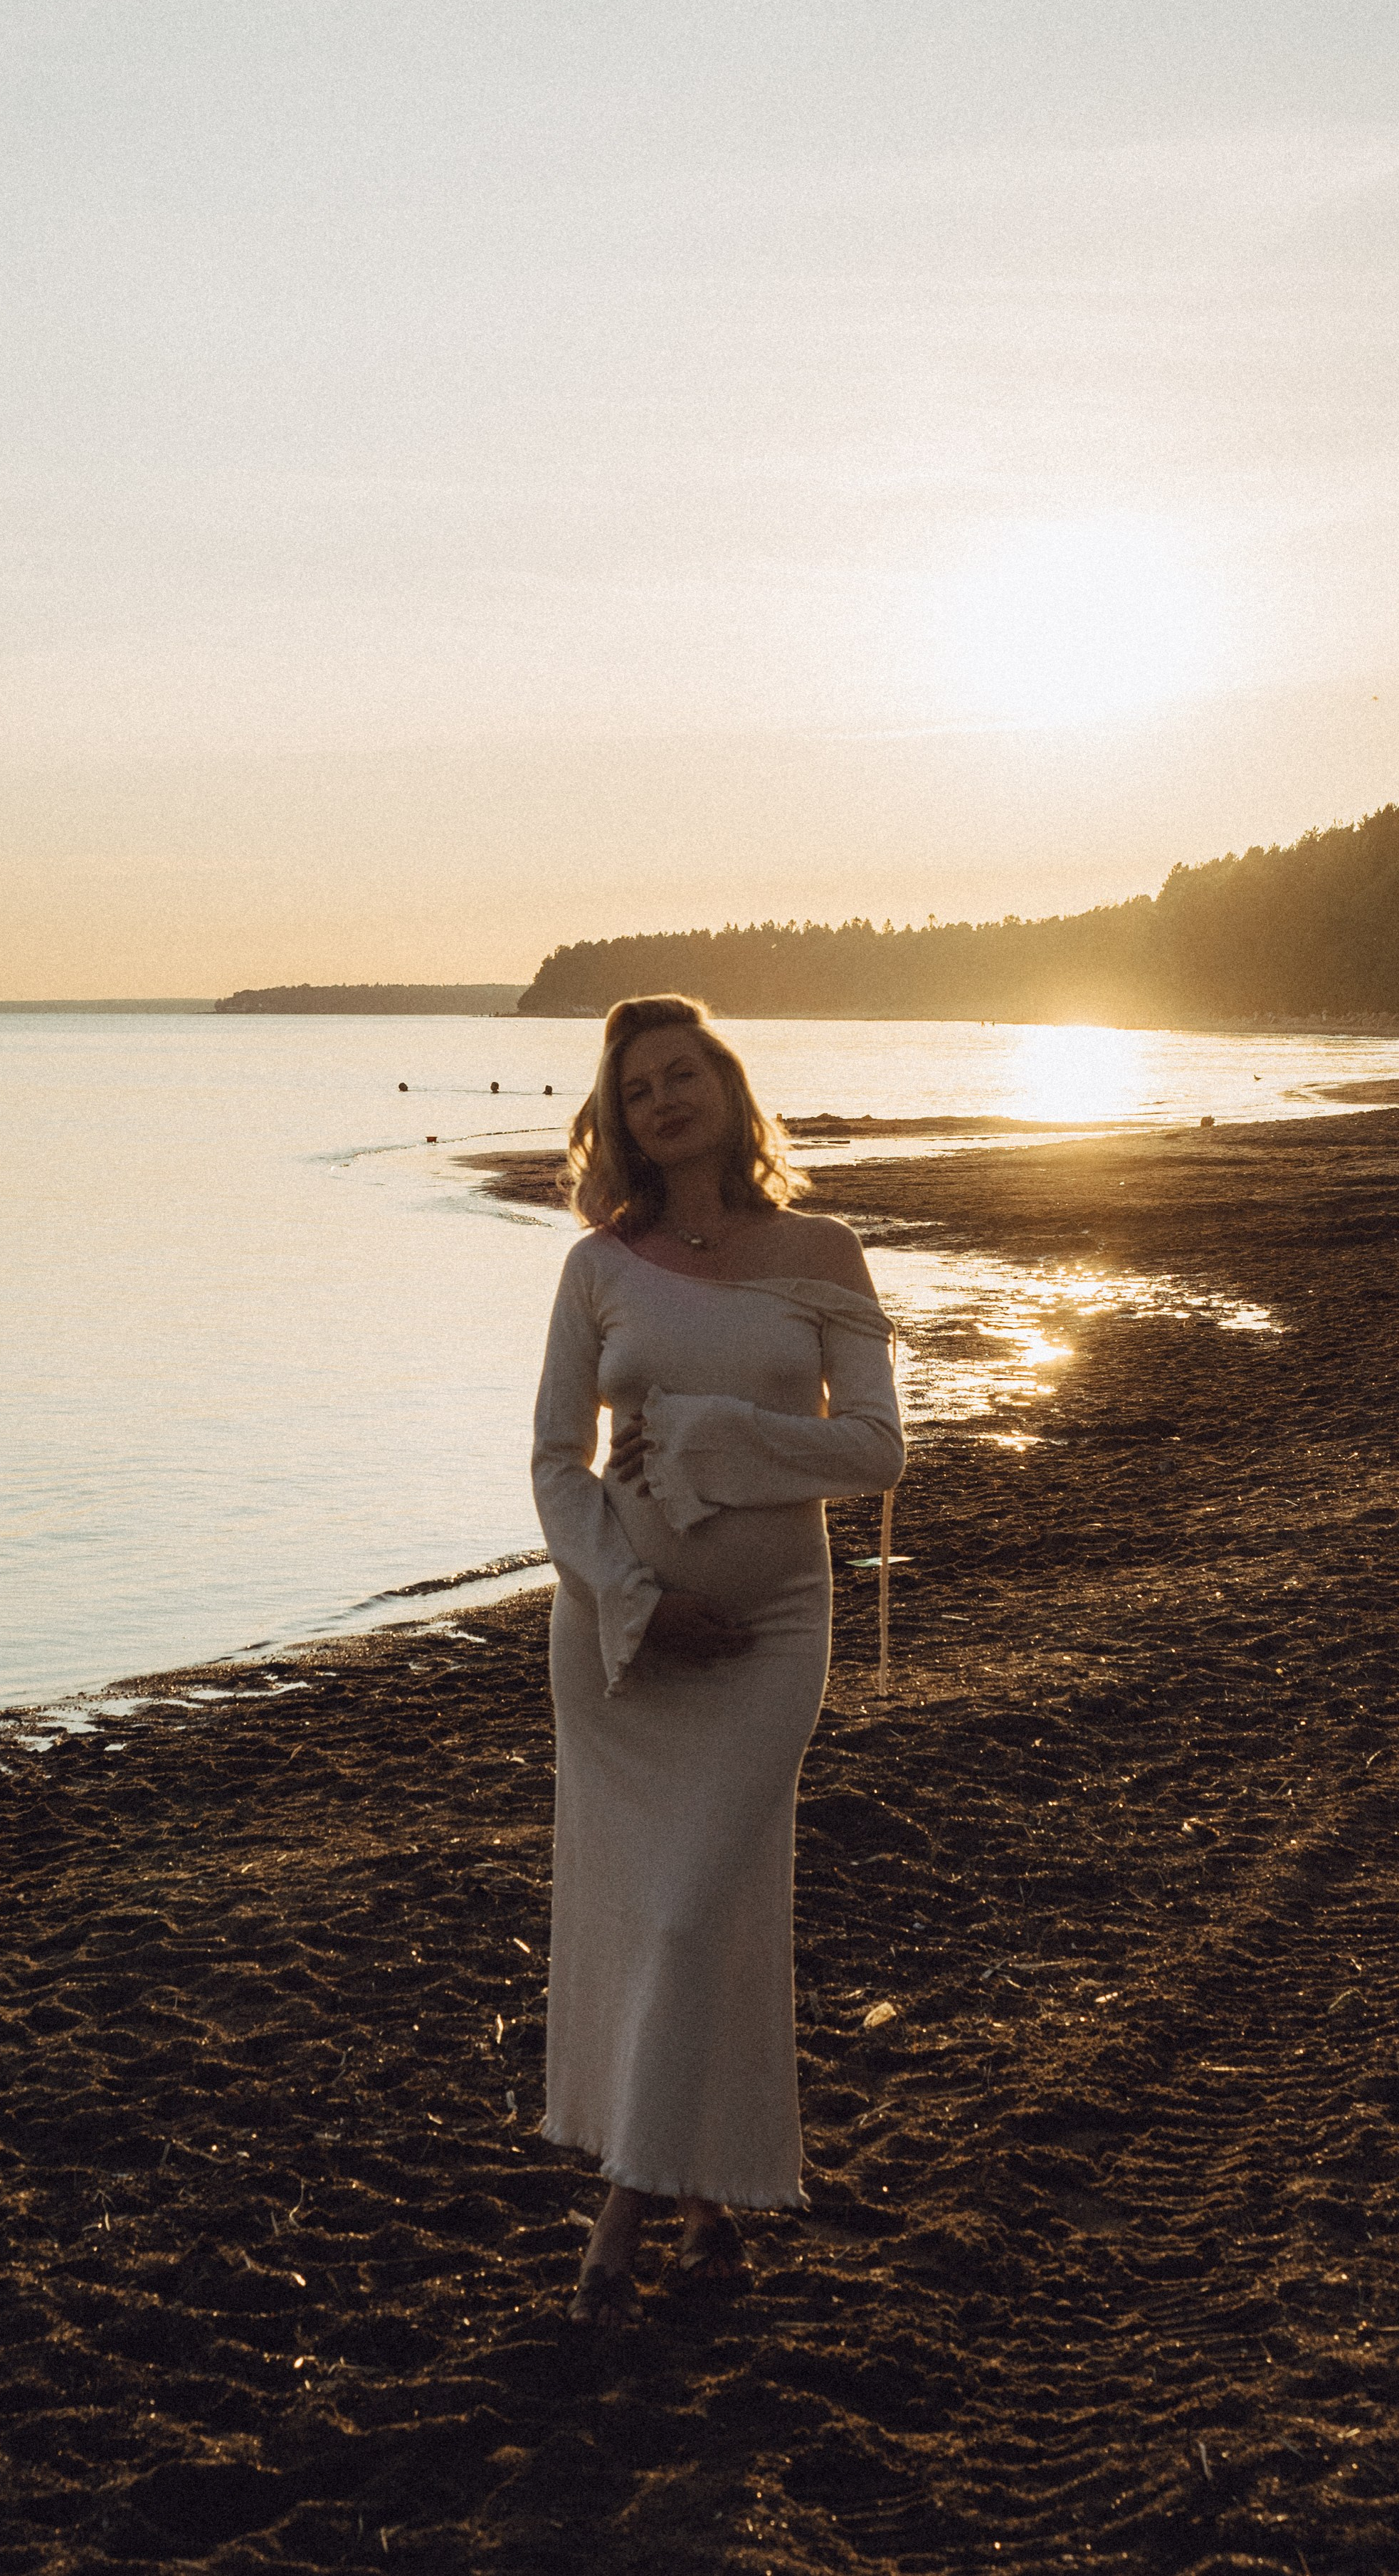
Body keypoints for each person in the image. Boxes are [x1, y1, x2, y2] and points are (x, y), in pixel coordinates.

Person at [530, 994, 905, 2325]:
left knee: (694, 1910)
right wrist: (633, 1597)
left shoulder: (823, 1250)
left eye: (682, 1074)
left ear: (728, 1087)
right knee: (677, 1918)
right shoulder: (599, 1268)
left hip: (772, 1634)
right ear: (620, 1122)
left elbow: (876, 1449)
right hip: (622, 1650)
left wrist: (700, 1432)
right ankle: (707, 2208)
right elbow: (555, 1466)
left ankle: (619, 2220)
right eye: (638, 1091)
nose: (665, 1101)